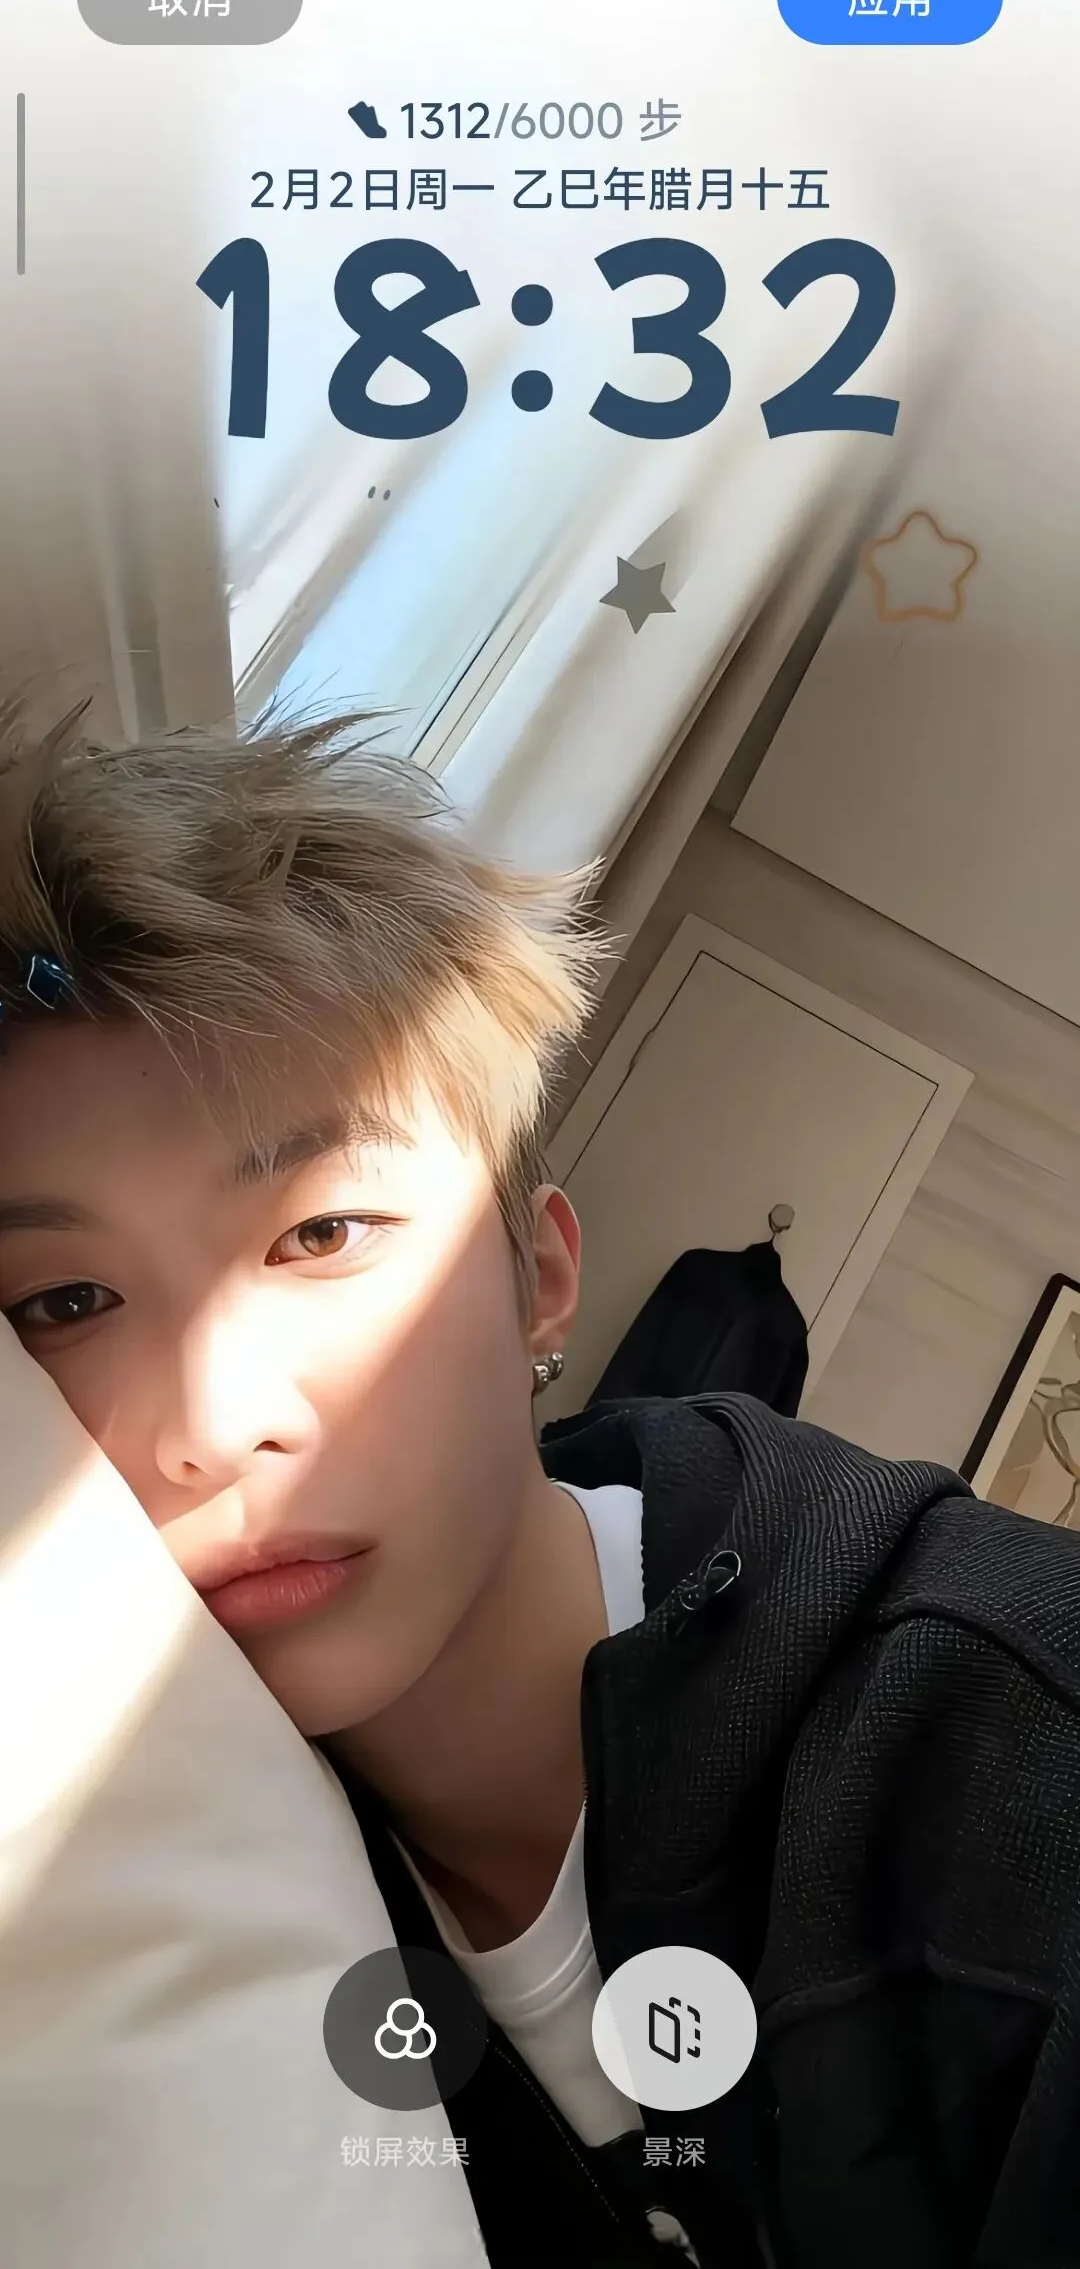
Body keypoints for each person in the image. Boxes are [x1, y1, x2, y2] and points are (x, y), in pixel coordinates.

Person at [0, 695, 1078, 2269]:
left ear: (540, 1279)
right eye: (65, 1302)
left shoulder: (1016, 1740)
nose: (212, 1427)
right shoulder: (153, 1890)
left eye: (321, 1233)